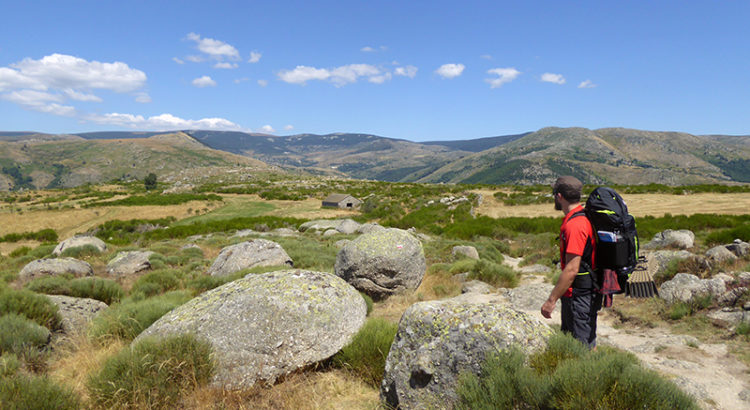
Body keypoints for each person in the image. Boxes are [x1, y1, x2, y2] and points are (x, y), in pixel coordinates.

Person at [541, 176, 602, 348]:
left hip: (579, 295)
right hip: (583, 293)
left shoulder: (575, 225)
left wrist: (551, 301)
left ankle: (590, 374)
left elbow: (571, 270)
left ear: (559, 196)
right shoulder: (583, 217)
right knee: (582, 343)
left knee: (581, 348)